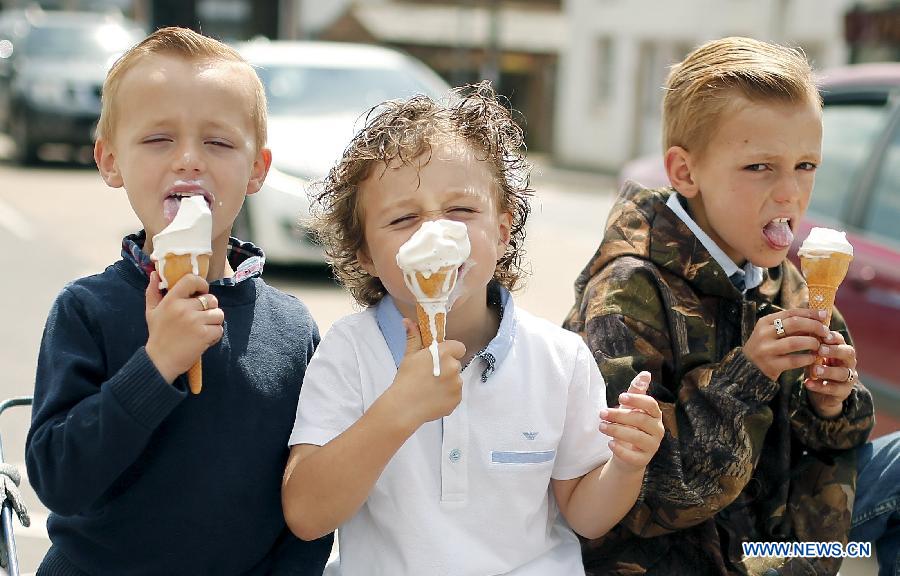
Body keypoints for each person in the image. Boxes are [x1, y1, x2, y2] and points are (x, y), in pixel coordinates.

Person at [280, 82, 665, 575]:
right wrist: (396, 411)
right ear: (365, 255)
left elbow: (586, 516)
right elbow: (307, 514)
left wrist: (627, 465)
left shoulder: (559, 359)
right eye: (403, 218)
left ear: (503, 232)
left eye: (461, 210)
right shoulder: (351, 351)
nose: (435, 232)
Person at [564, 36, 881, 575]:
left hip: (777, 554)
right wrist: (747, 376)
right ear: (685, 173)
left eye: (806, 165)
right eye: (760, 167)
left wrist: (830, 405)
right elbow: (641, 502)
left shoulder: (784, 282)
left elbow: (828, 445)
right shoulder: (627, 293)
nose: (790, 194)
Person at [25, 27, 332, 575]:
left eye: (217, 142)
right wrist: (156, 364)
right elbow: (59, 480)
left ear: (257, 168)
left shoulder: (290, 329)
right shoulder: (87, 311)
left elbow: (305, 502)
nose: (189, 159)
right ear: (110, 161)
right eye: (158, 139)